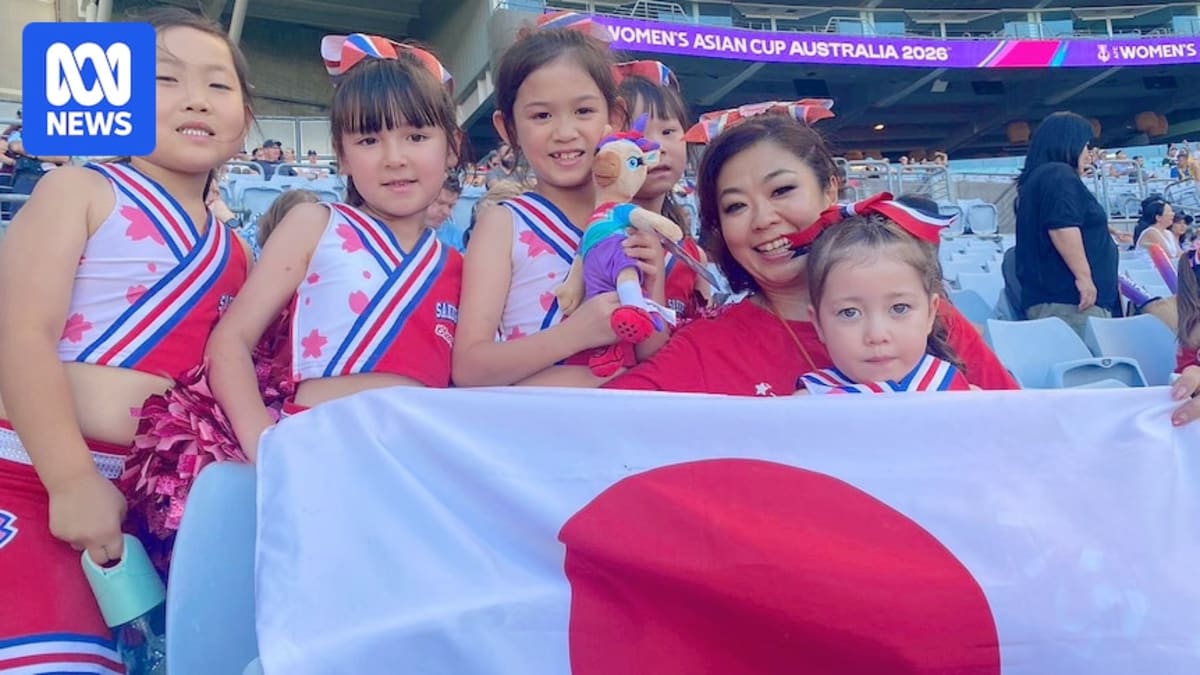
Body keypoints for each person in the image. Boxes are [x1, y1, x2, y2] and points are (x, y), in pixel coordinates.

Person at [0, 7, 252, 659]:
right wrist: (70, 479)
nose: (196, 99)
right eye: (165, 80)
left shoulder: (240, 252)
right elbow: (20, 333)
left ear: (247, 119)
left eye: (219, 85)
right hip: (30, 478)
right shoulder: (75, 188)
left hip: (150, 516)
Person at [603, 110, 1017, 396]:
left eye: (782, 190)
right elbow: (595, 428)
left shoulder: (923, 317)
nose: (762, 219)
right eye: (735, 206)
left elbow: (1024, 436)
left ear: (831, 190)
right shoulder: (704, 350)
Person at [208, 34, 463, 458]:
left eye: (416, 136)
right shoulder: (315, 224)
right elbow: (229, 341)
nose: (394, 157)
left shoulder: (460, 267)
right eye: (368, 140)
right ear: (340, 156)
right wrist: (265, 446)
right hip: (315, 457)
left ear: (452, 147)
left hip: (421, 472)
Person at [453, 13, 666, 388]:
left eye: (583, 111)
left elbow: (654, 355)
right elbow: (469, 367)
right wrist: (577, 333)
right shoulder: (504, 224)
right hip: (533, 433)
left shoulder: (633, 224)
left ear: (614, 117)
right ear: (509, 128)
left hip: (624, 427)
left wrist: (654, 278)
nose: (564, 133)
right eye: (541, 115)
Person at [795, 196, 972, 394]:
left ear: (930, 313)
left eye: (899, 308)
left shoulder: (964, 398)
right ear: (818, 323)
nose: (876, 335)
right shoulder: (807, 406)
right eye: (849, 312)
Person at [616, 60, 711, 323]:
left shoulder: (693, 256)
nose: (658, 146)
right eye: (637, 133)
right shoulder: (596, 237)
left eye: (669, 131)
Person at [1014, 112, 1118, 339]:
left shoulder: (1040, 178)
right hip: (1071, 304)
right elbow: (1062, 226)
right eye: (1086, 145)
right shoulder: (1058, 174)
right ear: (1068, 143)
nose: (1089, 154)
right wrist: (1084, 278)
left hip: (1060, 302)